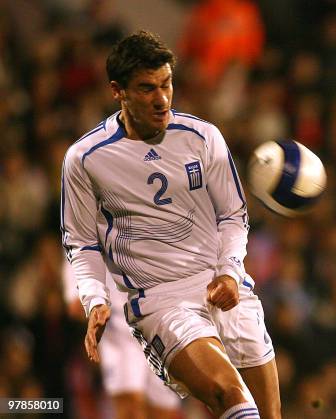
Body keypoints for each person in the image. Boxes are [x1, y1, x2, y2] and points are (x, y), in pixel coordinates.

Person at [61, 30, 281, 419]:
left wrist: (230, 273)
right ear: (118, 91)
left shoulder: (203, 137)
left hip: (224, 285)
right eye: (147, 89)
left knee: (268, 414)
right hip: (160, 300)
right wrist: (94, 298)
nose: (162, 99)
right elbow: (81, 241)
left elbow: (233, 215)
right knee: (230, 396)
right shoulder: (86, 158)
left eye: (166, 84)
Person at [62, 261, 181, 419]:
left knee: (165, 411)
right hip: (119, 336)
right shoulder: (81, 243)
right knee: (129, 408)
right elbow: (74, 305)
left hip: (157, 326)